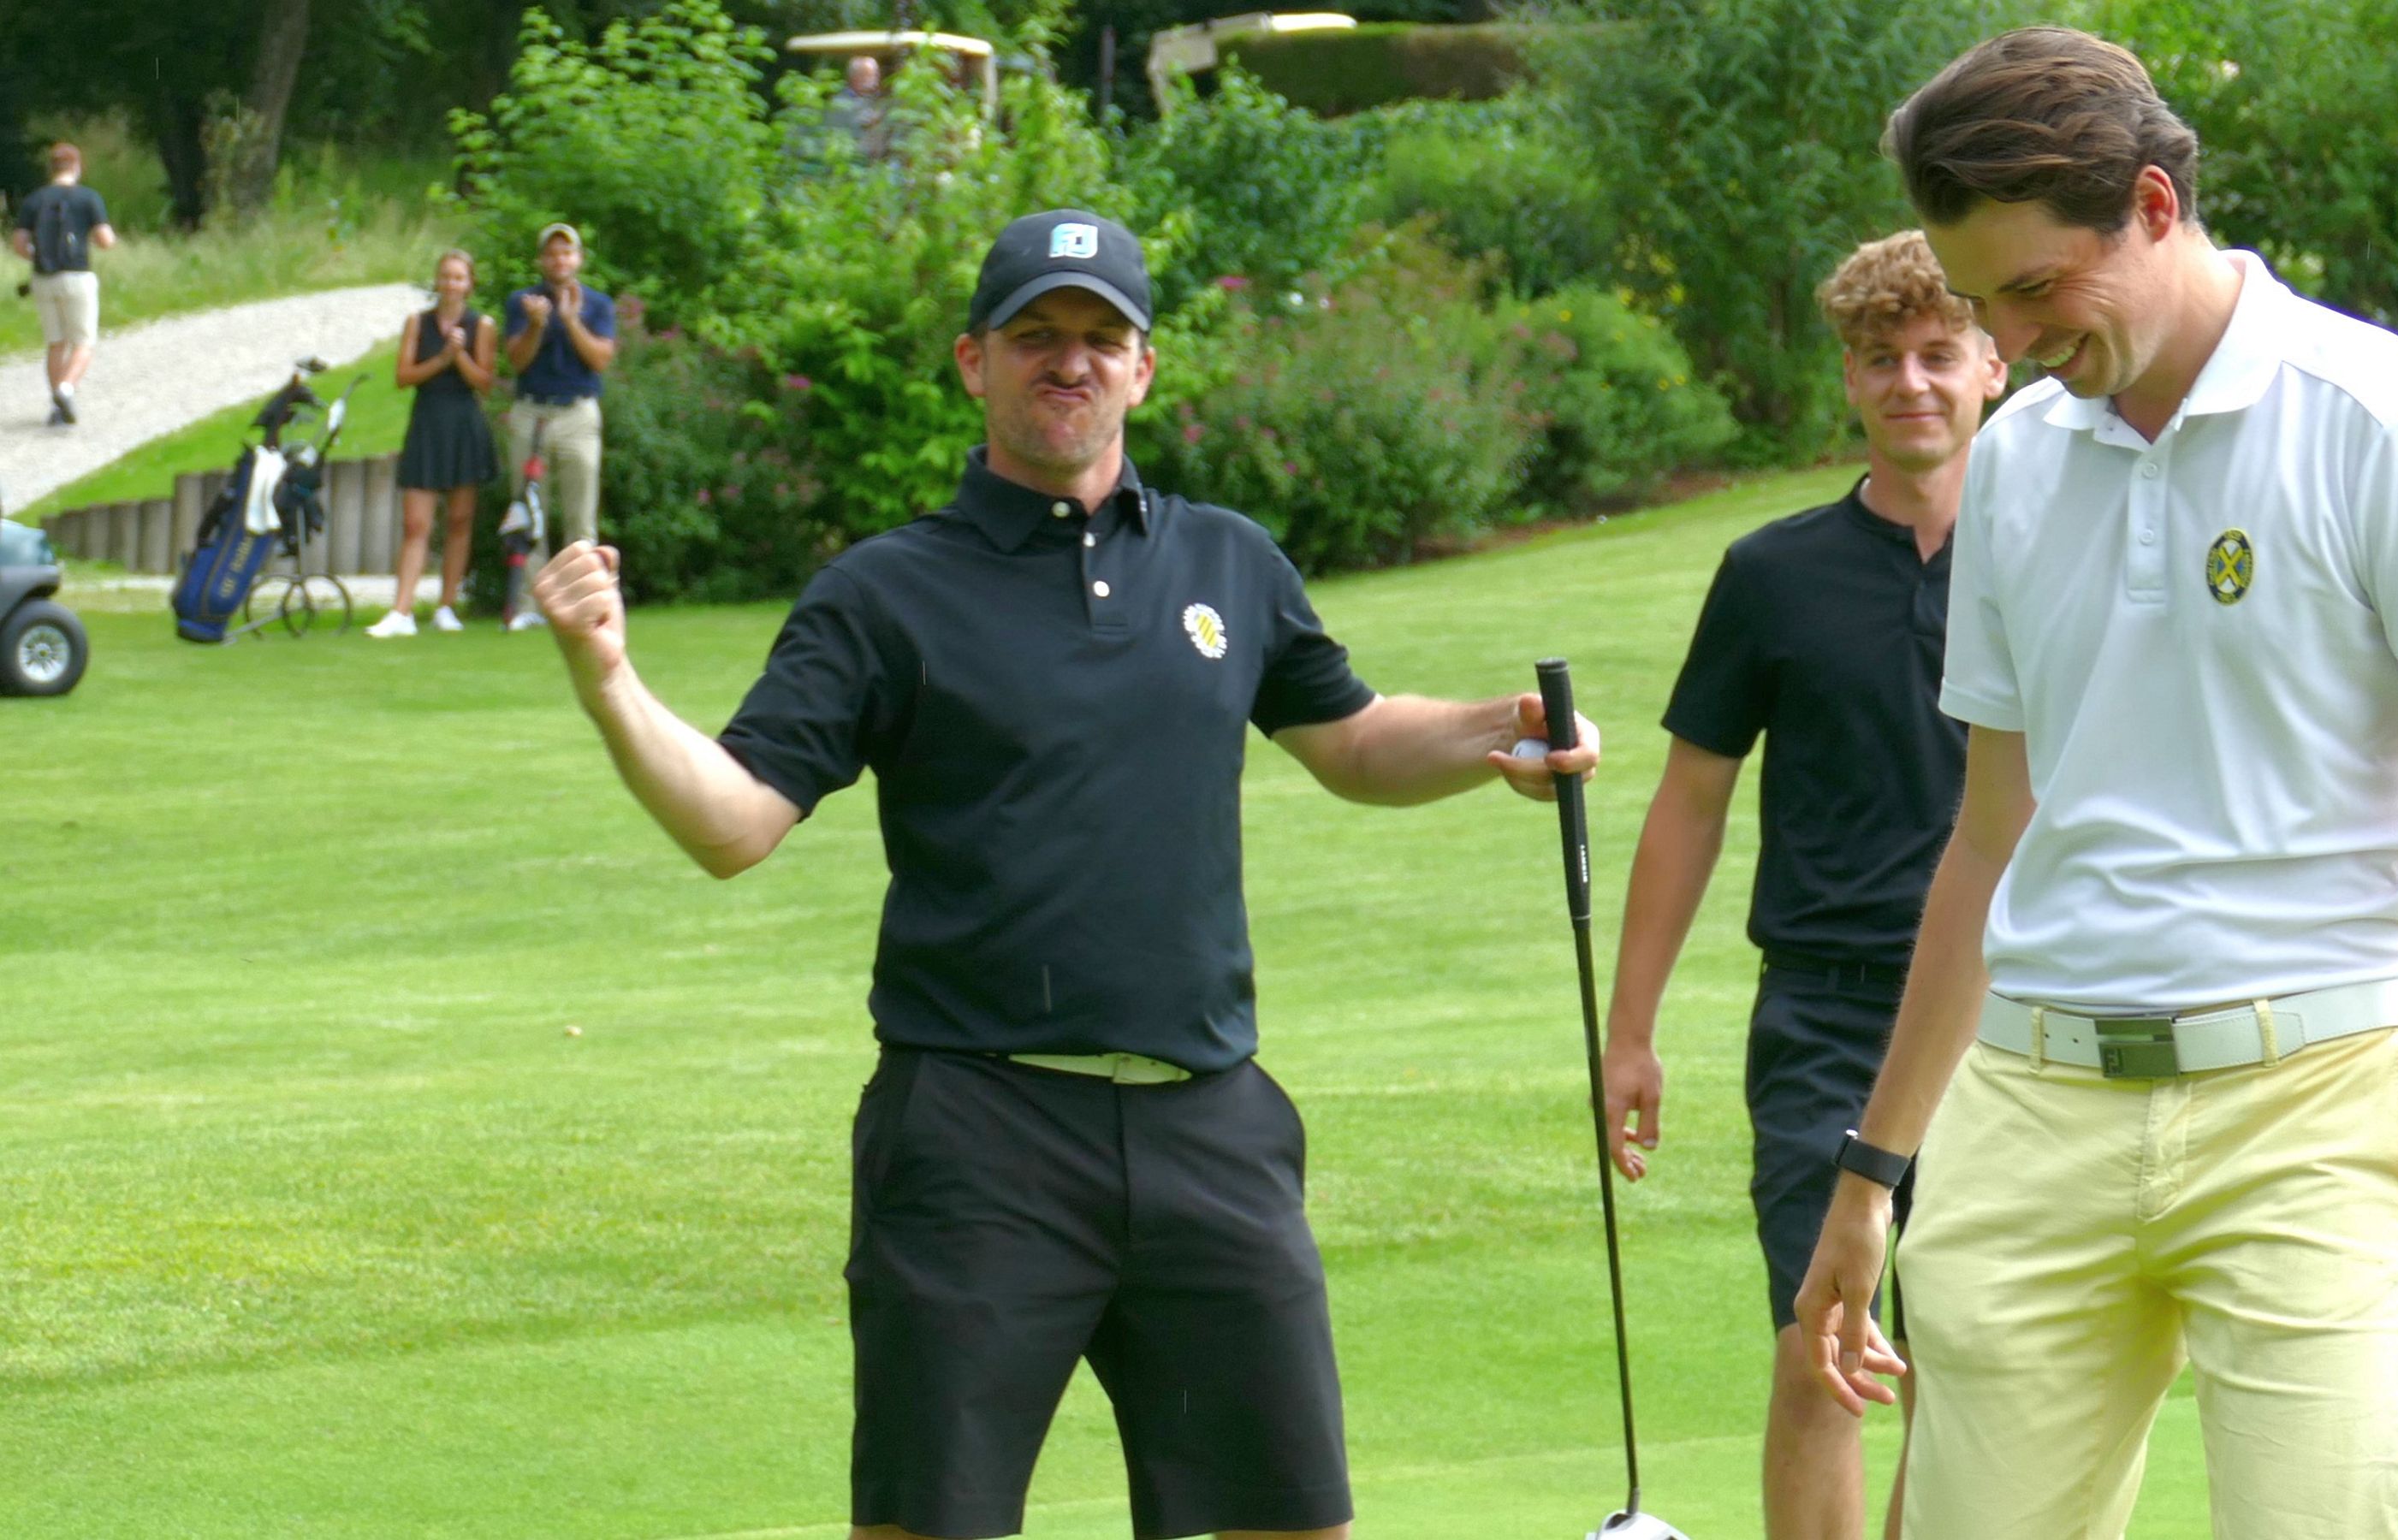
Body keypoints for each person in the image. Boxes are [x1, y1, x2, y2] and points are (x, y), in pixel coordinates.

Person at [529, 208, 1602, 1540]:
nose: (1072, 362)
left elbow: (1352, 739)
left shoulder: (1229, 563)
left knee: (1297, 1523)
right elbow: (734, 823)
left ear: (1144, 370)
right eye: (1038, 336)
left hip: (1211, 1122)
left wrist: (1498, 730)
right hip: (978, 1135)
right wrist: (610, 679)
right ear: (974, 361)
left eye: (1104, 338)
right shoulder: (885, 595)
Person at [1793, 27, 2398, 1540]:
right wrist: (1874, 1176)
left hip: (2315, 1109)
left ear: (2153, 207)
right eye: (1983, 299)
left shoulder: (2379, 422)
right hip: (2026, 1110)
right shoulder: (2015, 465)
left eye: (2038, 290)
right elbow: (1990, 840)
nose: (2014, 336)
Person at [1600, 230, 1999, 1540]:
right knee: (1823, 1340)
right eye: (1881, 359)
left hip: (2016, 1022)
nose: (1913, 383)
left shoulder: (2054, 558)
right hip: (1827, 1021)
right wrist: (1632, 1029)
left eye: (1941, 353)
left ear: (1995, 363)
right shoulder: (1773, 575)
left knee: (1981, 1367)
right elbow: (1689, 803)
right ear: (1847, 379)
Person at [369, 250, 500, 638]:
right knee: (416, 523)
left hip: (464, 424)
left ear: (469, 284)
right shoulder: (418, 323)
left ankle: (446, 606)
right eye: (445, 276)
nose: (451, 284)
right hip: (427, 422)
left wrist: (459, 357)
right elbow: (403, 376)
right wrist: (443, 358)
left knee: (460, 520)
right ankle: (401, 611)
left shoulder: (483, 325)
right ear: (437, 280)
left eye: (459, 277)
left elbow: (485, 382)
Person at [502, 222, 614, 597]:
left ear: (578, 259)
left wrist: (569, 320)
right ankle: (530, 607)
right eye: (552, 253)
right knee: (530, 514)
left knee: (581, 518)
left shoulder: (598, 305)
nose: (559, 260)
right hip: (531, 415)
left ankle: (582, 601)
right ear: (541, 260)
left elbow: (599, 359)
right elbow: (517, 360)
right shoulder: (523, 302)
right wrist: (537, 325)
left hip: (577, 416)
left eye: (566, 252)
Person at [9, 141, 116, 426]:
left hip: (43, 278)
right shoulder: (88, 198)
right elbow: (106, 241)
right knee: (84, 343)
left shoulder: (34, 200)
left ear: (52, 169)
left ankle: (57, 409)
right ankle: (65, 391)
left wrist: (37, 254)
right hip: (77, 276)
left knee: (56, 343)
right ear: (76, 167)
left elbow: (19, 244)